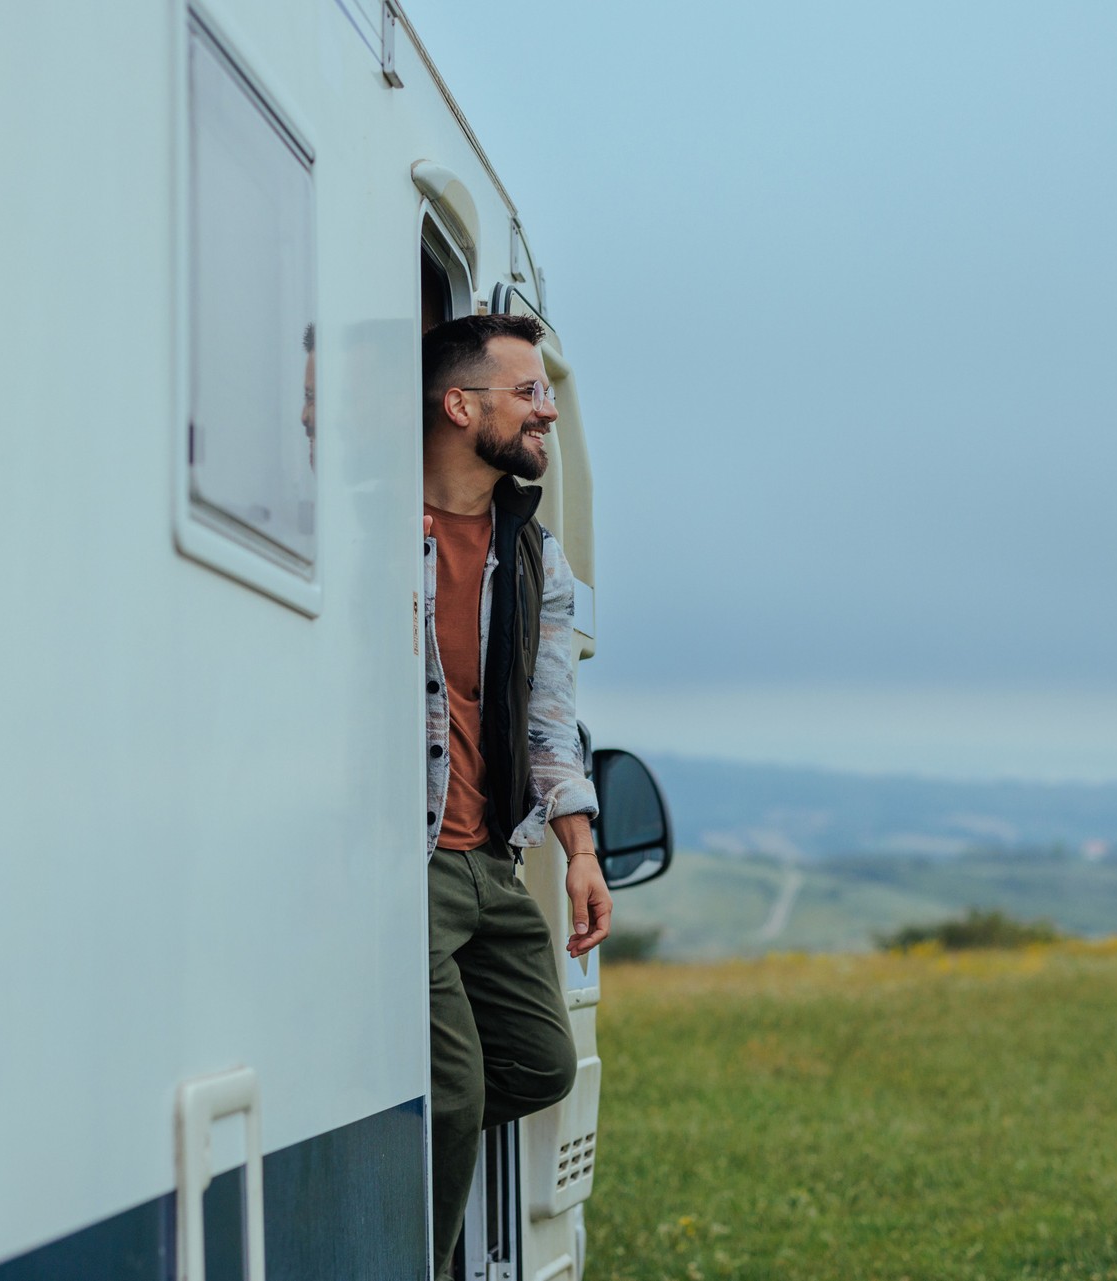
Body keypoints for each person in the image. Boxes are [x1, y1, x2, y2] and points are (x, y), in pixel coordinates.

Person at [420, 313, 611, 1279]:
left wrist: (577, 849)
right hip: (408, 865)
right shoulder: (376, 529)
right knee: (453, 1097)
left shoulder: (538, 560)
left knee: (540, 1060)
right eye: (528, 392)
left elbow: (549, 718)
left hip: (491, 859)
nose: (547, 410)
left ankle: (389, 1129)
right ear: (462, 406)